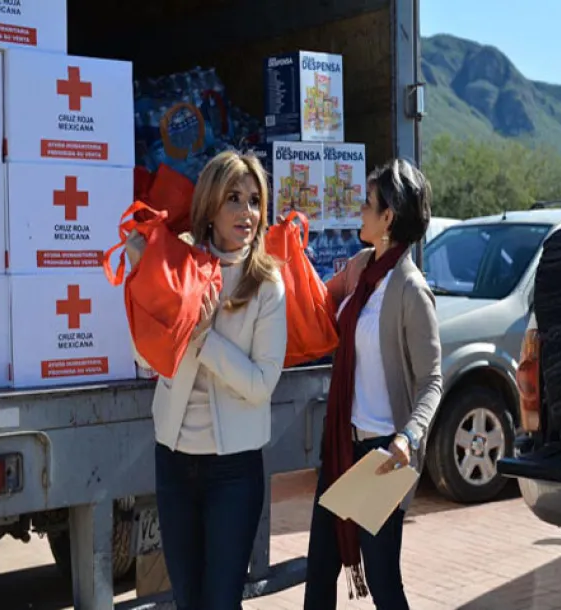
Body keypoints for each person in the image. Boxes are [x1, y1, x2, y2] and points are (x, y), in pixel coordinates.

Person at [125, 151, 287, 610]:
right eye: (234, 198)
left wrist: (200, 337)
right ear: (209, 207)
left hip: (233, 472)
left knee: (220, 603)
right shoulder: (178, 265)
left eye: (255, 200)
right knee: (188, 602)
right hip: (174, 463)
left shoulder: (267, 284)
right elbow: (145, 359)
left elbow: (260, 384)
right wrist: (146, 283)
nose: (248, 212)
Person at [303, 158, 443, 609]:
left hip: (383, 453)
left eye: (368, 204)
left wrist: (408, 437)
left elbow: (432, 381)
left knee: (383, 582)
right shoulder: (362, 266)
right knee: (318, 576)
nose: (359, 211)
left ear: (388, 218)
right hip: (343, 444)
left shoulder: (410, 289)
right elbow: (318, 301)